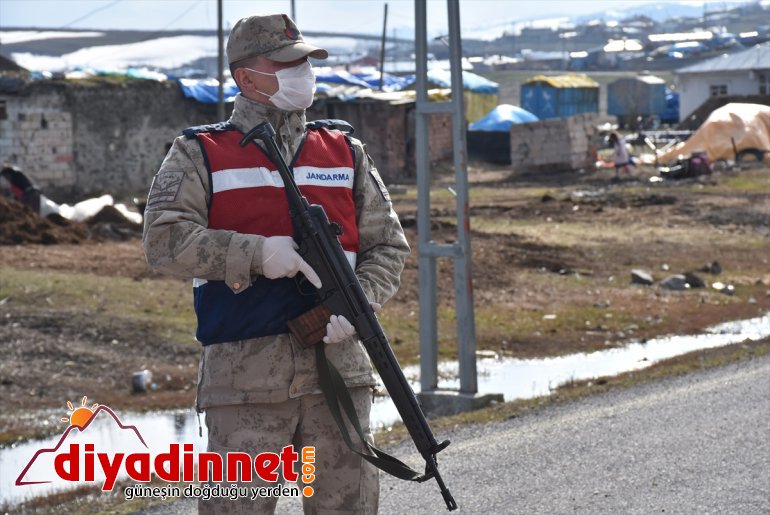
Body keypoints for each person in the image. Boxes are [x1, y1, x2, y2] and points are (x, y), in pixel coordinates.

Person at [142, 13, 409, 515]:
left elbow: (389, 247)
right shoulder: (200, 153)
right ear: (246, 78)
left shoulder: (344, 151)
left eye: (305, 62)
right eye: (287, 64)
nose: (303, 73)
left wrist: (360, 303)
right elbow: (162, 240)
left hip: (340, 376)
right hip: (244, 385)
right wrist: (255, 254)